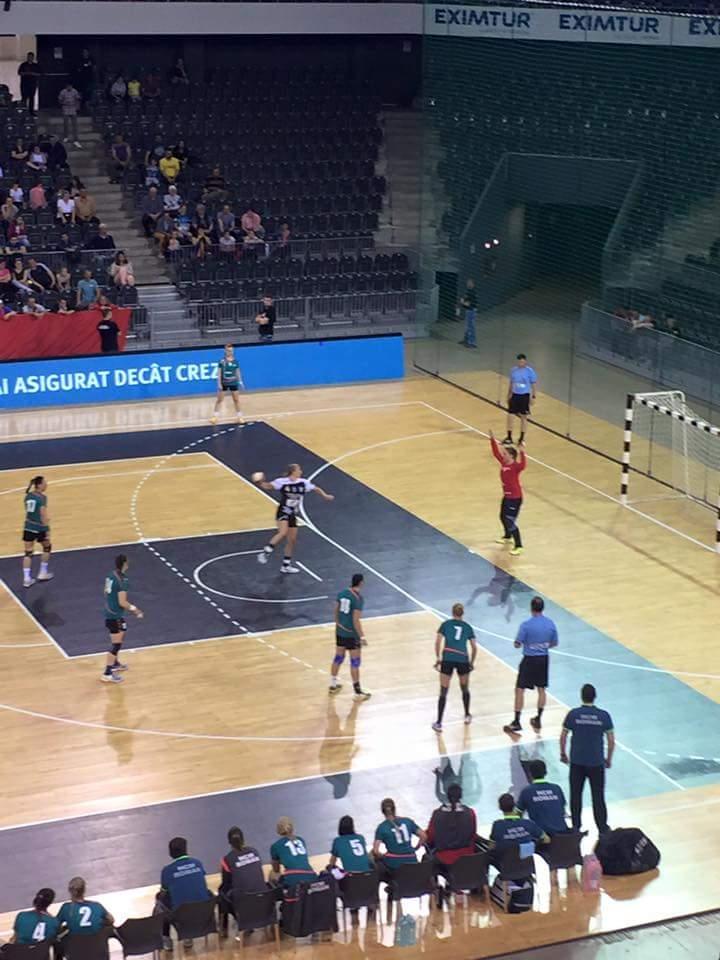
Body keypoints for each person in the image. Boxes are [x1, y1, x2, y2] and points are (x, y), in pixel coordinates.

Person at [253, 464, 334, 573]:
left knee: (292, 540)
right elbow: (268, 486)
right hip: (283, 510)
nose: (301, 471)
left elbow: (316, 488)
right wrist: (259, 482)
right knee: (283, 532)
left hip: (292, 513)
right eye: (299, 469)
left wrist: (325, 495)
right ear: (293, 471)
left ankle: (285, 566)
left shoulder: (303, 482)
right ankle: (264, 553)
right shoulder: (282, 481)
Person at [560, 683, 614, 836]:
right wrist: (608, 758)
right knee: (598, 796)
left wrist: (563, 753)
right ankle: (602, 828)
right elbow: (611, 740)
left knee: (575, 794)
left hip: (577, 762)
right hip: (596, 763)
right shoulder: (604, 716)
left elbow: (563, 736)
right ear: (594, 697)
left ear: (581, 696)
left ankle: (576, 827)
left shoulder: (573, 714)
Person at [504, 596, 558, 735]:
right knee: (541, 689)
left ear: (531, 608)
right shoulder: (550, 624)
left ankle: (516, 721)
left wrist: (525, 644)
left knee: (520, 689)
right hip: (543, 659)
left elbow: (517, 644)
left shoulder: (526, 625)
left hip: (529, 659)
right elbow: (554, 643)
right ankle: (538, 718)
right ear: (542, 608)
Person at [156, 837, 212, 949]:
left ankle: (166, 938)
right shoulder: (198, 863)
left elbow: (164, 893)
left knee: (159, 902)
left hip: (182, 917)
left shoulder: (167, 871)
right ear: (186, 849)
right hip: (204, 913)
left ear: (170, 853)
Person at [433, 602, 476, 732]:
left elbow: (438, 642)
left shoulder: (445, 625)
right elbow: (474, 647)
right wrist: (471, 662)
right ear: (462, 613)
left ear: (452, 612)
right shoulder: (468, 627)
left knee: (443, 691)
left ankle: (439, 722)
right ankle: (467, 715)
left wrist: (438, 658)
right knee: (464, 688)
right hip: (463, 658)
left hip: (448, 658)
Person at [102, 553, 143, 683]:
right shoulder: (123, 580)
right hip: (115, 616)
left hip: (110, 613)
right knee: (116, 645)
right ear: (125, 564)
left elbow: (105, 591)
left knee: (122, 632)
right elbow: (122, 602)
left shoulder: (110, 575)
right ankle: (107, 673)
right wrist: (135, 610)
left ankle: (114, 663)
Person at [329, 573, 371, 700]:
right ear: (361, 583)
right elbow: (356, 620)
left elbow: (335, 610)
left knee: (338, 657)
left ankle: (333, 685)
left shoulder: (342, 593)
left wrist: (337, 623)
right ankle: (357, 693)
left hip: (340, 632)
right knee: (355, 662)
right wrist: (362, 637)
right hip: (352, 634)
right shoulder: (358, 599)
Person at [218, 827, 266, 934]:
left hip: (243, 904)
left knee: (221, 894)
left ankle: (223, 929)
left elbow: (226, 884)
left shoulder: (227, 859)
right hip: (263, 900)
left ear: (229, 842)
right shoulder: (254, 851)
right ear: (243, 839)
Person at [426, 782, 478, 874]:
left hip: (444, 859)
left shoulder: (437, 814)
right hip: (467, 858)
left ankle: (434, 887)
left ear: (447, 796)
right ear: (461, 796)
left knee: (427, 858)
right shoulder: (470, 813)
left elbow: (430, 837)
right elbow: (473, 835)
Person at [489, 429, 526, 556]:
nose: (503, 455)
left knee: (510, 520)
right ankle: (507, 536)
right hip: (507, 496)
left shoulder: (516, 467)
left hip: (515, 498)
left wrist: (522, 451)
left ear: (511, 456)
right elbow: (495, 453)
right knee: (502, 516)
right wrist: (492, 439)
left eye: (505, 454)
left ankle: (519, 545)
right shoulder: (504, 462)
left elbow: (523, 465)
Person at [489, 794, 549, 865]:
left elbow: (491, 847)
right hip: (527, 868)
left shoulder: (497, 826)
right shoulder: (528, 823)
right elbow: (547, 840)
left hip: (508, 868)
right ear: (514, 805)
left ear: (500, 807)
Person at [373, 798, 426, 878]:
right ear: (395, 809)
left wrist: (383, 856)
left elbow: (376, 851)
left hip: (395, 864)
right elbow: (423, 836)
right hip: (412, 860)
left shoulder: (382, 827)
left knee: (375, 861)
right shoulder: (408, 821)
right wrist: (416, 848)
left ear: (382, 811)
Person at [516, 759, 570, 837]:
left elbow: (517, 815)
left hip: (541, 836)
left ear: (530, 773)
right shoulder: (557, 788)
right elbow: (562, 810)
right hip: (562, 834)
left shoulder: (526, 792)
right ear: (546, 772)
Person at [22, 475, 53, 589]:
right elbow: (43, 514)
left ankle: (26, 579)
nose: (46, 485)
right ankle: (42, 572)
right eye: (44, 483)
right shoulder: (42, 498)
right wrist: (47, 528)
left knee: (28, 553)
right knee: (47, 547)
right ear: (39, 485)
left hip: (28, 526)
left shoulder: (28, 496)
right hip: (39, 527)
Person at [269, 817, 317, 888]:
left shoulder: (275, 846)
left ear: (278, 830)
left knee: (272, 874)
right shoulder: (301, 840)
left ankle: (278, 895)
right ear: (292, 828)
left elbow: (276, 870)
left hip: (293, 877)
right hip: (311, 875)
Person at [504, 353, 537, 446]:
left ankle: (522, 438)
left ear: (525, 361)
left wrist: (533, 396)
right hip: (515, 395)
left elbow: (533, 384)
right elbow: (511, 383)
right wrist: (509, 394)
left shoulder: (530, 371)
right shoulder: (513, 370)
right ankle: (509, 437)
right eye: (519, 361)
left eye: (523, 361)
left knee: (524, 417)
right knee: (510, 416)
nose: (521, 363)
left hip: (524, 396)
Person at [210, 343, 243, 424]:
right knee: (219, 400)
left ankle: (240, 417)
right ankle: (215, 417)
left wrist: (240, 381)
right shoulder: (222, 361)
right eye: (228, 351)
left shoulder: (235, 361)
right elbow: (219, 373)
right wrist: (219, 384)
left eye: (231, 351)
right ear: (225, 351)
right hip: (224, 382)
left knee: (236, 400)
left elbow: (238, 371)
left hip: (233, 383)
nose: (230, 352)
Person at [58, 82, 82, 147]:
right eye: (68, 86)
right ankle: (66, 137)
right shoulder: (63, 92)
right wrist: (64, 102)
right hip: (65, 109)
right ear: (66, 86)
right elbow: (59, 100)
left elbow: (78, 98)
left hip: (73, 109)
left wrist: (77, 102)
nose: (69, 88)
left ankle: (76, 140)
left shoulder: (74, 91)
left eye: (70, 86)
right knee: (66, 124)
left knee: (75, 125)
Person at [458, 277, 477, 349]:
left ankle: (472, 343)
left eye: (470, 283)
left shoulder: (472, 292)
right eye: (468, 282)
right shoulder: (468, 291)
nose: (468, 284)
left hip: (471, 311)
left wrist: (462, 302)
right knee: (467, 326)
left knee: (471, 327)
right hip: (468, 310)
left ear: (473, 284)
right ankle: (466, 340)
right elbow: (465, 300)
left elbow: (469, 303)